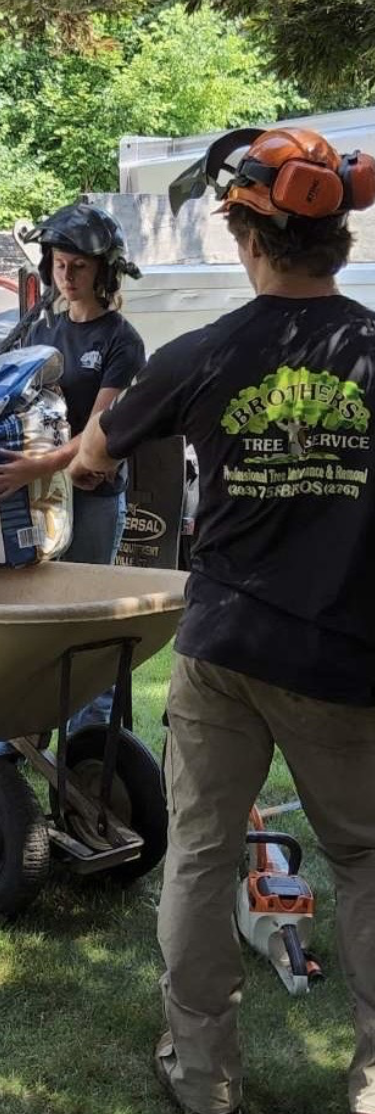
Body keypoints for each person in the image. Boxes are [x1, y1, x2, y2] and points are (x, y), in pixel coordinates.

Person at [72, 126, 375, 1114]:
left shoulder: (204, 352)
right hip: (346, 654)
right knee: (365, 858)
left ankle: (204, 1080)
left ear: (247, 233)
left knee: (200, 860)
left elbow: (94, 457)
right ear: (341, 241)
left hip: (228, 649)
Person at [0, 202, 145, 746]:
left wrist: (39, 465)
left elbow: (102, 428)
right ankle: (12, 744)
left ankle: (91, 752)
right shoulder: (42, 326)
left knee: (89, 621)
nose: (66, 276)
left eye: (78, 265)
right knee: (36, 618)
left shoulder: (122, 340)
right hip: (43, 494)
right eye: (58, 263)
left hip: (92, 498)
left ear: (105, 270)